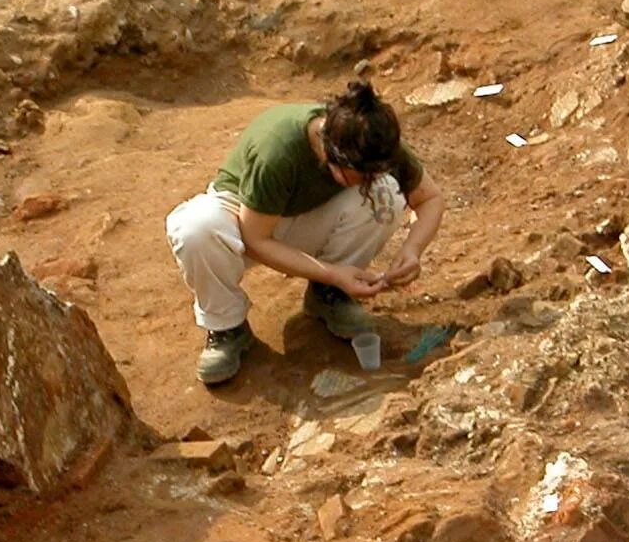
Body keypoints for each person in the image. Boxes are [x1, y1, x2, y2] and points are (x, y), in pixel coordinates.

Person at [165, 81, 445, 386]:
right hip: (242, 218)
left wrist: (412, 249)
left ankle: (328, 297)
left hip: (303, 217)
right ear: (332, 155)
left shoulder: (370, 142)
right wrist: (333, 272)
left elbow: (430, 199)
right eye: (361, 176)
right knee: (196, 229)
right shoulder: (279, 150)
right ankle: (227, 327)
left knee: (387, 194)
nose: (369, 180)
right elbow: (255, 239)